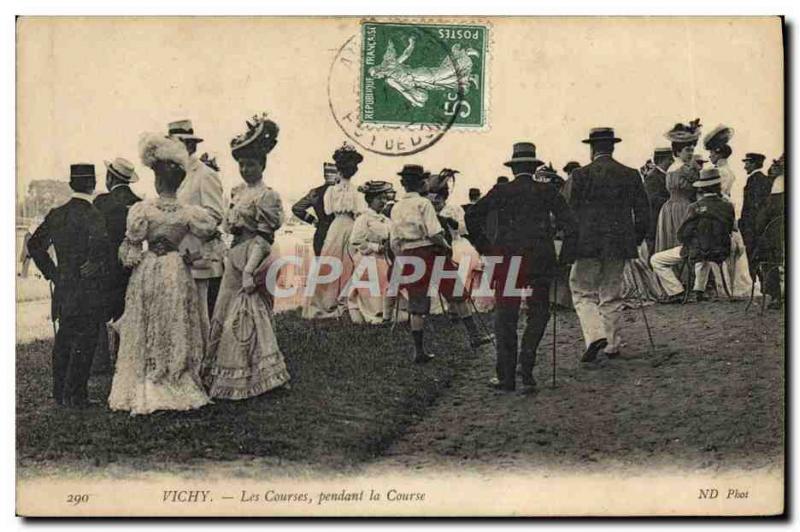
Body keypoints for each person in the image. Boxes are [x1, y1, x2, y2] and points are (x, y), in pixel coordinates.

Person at [108, 134, 214, 415]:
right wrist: (187, 253)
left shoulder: (143, 210)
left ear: (156, 179)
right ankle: (173, 375)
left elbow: (129, 253)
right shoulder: (190, 212)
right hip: (176, 270)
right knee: (175, 321)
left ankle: (149, 376)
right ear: (179, 182)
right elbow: (209, 242)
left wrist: (137, 253)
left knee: (147, 321)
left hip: (151, 269)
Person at [467, 143, 576, 392]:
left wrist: (486, 247)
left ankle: (506, 377)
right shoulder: (546, 191)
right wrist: (564, 257)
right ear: (534, 166)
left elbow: (472, 215)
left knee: (506, 316)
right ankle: (526, 364)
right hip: (540, 260)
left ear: (514, 167)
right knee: (539, 312)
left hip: (508, 260)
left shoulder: (501, 190)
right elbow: (571, 224)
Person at [203, 113, 290, 400]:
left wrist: (251, 269)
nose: (245, 169)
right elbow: (229, 225)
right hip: (235, 255)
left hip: (255, 255)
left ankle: (258, 377)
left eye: (251, 164)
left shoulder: (267, 195)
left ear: (262, 165)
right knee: (226, 309)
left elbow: (265, 236)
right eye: (241, 164)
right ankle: (221, 372)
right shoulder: (238, 192)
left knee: (250, 314)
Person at [28, 164, 111, 407]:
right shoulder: (93, 213)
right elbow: (102, 244)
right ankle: (77, 395)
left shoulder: (56, 213)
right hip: (87, 288)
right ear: (92, 184)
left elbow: (34, 245)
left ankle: (59, 393)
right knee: (86, 340)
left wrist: (52, 273)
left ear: (71, 184)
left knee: (64, 339)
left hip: (64, 286)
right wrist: (94, 263)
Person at [390, 164, 492, 363]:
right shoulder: (424, 204)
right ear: (421, 183)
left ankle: (418, 351)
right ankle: (474, 336)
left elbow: (394, 240)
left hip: (409, 254)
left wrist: (402, 258)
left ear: (403, 184)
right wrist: (445, 247)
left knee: (417, 302)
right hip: (430, 250)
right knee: (456, 293)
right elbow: (434, 232)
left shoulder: (396, 207)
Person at [567, 127, 649, 362]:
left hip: (587, 244)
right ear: (612, 146)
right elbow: (643, 212)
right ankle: (612, 344)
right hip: (619, 244)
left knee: (583, 291)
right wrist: (635, 238)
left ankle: (594, 336)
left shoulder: (580, 175)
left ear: (591, 148)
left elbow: (571, 213)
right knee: (612, 293)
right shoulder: (630, 174)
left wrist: (571, 244)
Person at [168, 119, 226, 334]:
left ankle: (205, 360)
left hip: (198, 254)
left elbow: (214, 216)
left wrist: (182, 220)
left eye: (176, 146)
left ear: (190, 146)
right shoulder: (174, 174)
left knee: (200, 315)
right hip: (176, 255)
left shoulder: (205, 175)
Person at [650, 168, 735, 303]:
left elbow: (683, 234)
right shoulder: (728, 206)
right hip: (721, 251)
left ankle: (676, 291)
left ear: (702, 189)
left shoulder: (694, 207)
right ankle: (698, 290)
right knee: (705, 251)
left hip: (697, 252)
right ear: (718, 186)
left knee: (656, 260)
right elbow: (730, 228)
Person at [302, 143, 366, 319]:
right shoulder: (357, 192)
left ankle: (327, 301)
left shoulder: (331, 190)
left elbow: (329, 210)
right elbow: (359, 212)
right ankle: (346, 300)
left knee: (330, 263)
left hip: (336, 227)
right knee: (350, 263)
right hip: (351, 226)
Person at [92, 157, 142, 372]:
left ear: (110, 177)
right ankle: (124, 358)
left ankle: (101, 361)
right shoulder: (139, 203)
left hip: (104, 268)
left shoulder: (101, 202)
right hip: (130, 267)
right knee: (125, 313)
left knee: (98, 314)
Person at [348, 180, 395, 324]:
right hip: (368, 259)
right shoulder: (364, 218)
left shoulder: (386, 220)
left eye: (384, 198)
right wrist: (375, 247)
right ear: (370, 200)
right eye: (379, 198)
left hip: (385, 259)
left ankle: (387, 313)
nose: (383, 201)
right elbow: (355, 240)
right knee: (373, 286)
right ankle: (374, 313)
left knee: (388, 282)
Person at [654, 119, 702, 253]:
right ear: (678, 151)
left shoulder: (672, 167)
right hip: (683, 208)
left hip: (669, 209)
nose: (691, 153)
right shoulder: (685, 169)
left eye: (692, 150)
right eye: (688, 150)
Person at [754, 154, 785, 309]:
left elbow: (765, 216)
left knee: (767, 255)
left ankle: (775, 296)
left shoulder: (777, 186)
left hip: (776, 234)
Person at [292, 162, 339, 256]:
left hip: (321, 233)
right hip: (339, 235)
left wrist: (314, 221)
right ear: (338, 175)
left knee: (321, 267)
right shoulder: (343, 193)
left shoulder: (315, 192)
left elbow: (297, 208)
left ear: (324, 175)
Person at [740, 152, 773, 282]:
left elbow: (752, 206)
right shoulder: (765, 179)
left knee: (752, 254)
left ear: (753, 163)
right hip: (761, 225)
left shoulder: (753, 180)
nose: (745, 167)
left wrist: (744, 223)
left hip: (752, 226)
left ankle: (758, 284)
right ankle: (764, 284)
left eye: (747, 163)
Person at [643, 147, 674, 255]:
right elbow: (653, 199)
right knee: (654, 252)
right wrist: (673, 201)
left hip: (662, 219)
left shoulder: (665, 175)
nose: (672, 162)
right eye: (669, 159)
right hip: (655, 221)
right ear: (661, 160)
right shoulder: (652, 177)